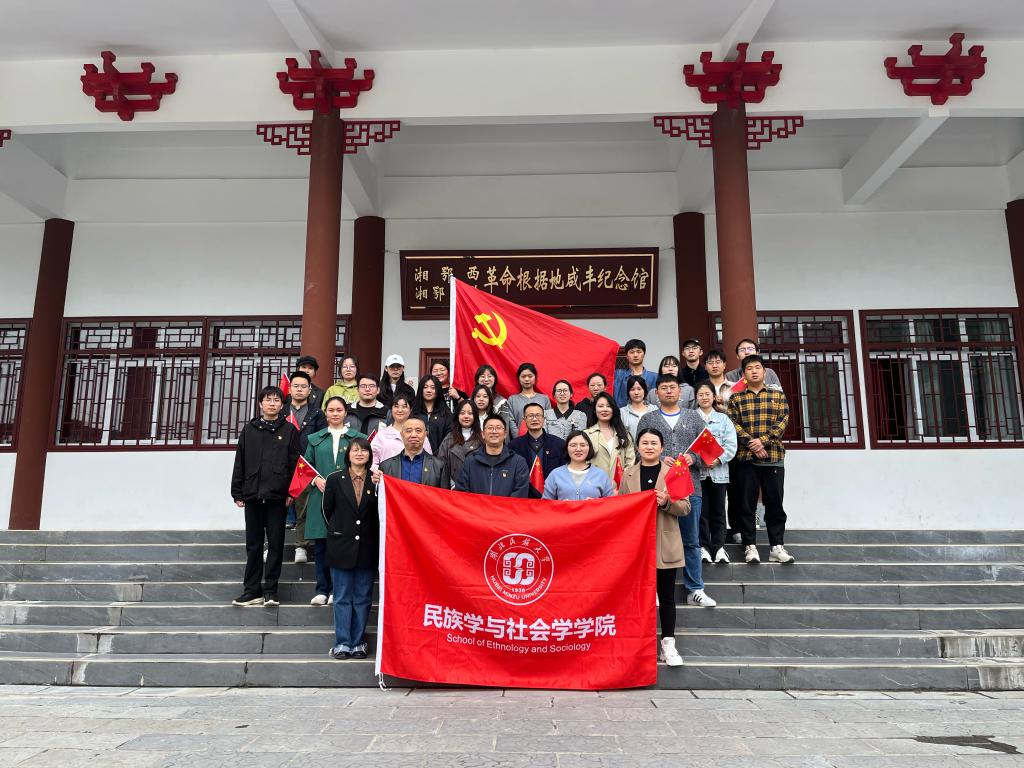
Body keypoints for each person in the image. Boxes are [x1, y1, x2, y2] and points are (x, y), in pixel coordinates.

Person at [636, 374, 716, 608]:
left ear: (680, 392)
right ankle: (653, 589)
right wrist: (659, 458)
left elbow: (709, 451)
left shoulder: (693, 417)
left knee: (691, 540)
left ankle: (695, 589)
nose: (669, 391)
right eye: (664, 388)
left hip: (689, 488)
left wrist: (693, 458)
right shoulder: (648, 418)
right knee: (653, 540)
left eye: (673, 387)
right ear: (656, 393)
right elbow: (638, 449)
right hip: (655, 490)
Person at [618, 427, 689, 667]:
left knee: (666, 596)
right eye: (645, 443)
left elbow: (686, 507)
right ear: (637, 447)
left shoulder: (675, 472)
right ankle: (637, 645)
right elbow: (620, 507)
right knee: (636, 598)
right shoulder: (628, 473)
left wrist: (668, 501)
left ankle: (668, 644)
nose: (649, 447)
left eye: (654, 443)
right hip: (636, 546)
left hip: (664, 542)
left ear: (662, 447)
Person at [230, 385, 300, 608]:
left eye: (276, 400)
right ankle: (252, 590)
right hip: (252, 494)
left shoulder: (289, 430)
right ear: (260, 403)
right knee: (253, 545)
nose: (272, 403)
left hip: (278, 497)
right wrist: (237, 491)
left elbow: (294, 464)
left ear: (282, 405)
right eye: (268, 399)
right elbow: (240, 460)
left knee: (276, 545)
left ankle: (270, 590)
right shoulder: (249, 429)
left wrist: (291, 492)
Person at [727, 355, 794, 565]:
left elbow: (783, 420)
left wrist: (763, 441)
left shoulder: (777, 395)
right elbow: (733, 424)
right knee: (746, 504)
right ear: (743, 374)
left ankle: (777, 547)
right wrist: (752, 443)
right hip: (746, 459)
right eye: (749, 368)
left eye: (758, 367)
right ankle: (750, 546)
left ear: (764, 372)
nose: (754, 371)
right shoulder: (736, 398)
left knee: (775, 504)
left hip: (773, 457)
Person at [301, 396, 365, 605]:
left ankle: (337, 591)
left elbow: (364, 463)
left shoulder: (357, 438)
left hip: (349, 498)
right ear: (325, 412)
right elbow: (305, 466)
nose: (335, 414)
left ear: (346, 412)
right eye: (331, 410)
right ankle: (322, 589)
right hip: (321, 497)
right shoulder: (315, 438)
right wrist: (315, 480)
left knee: (342, 546)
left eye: (339, 410)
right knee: (321, 545)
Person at [322, 437, 378, 660]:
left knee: (363, 597)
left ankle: (358, 642)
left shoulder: (377, 479)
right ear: (348, 454)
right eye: (355, 450)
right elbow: (326, 511)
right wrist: (339, 531)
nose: (359, 454)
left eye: (364, 450)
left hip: (367, 546)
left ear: (369, 455)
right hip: (340, 546)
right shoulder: (335, 479)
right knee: (342, 597)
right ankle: (343, 642)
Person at [693, 381, 738, 565]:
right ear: (696, 398)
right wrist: (700, 460)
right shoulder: (690, 418)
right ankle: (703, 547)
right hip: (698, 474)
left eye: (707, 394)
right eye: (701, 394)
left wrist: (717, 460)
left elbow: (731, 445)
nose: (704, 397)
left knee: (719, 511)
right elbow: (686, 445)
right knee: (701, 512)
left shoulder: (724, 419)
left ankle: (719, 547)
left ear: (714, 397)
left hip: (719, 473)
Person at [285, 371, 327, 565]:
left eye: (304, 386)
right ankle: (272, 545)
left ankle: (301, 545)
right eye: (296, 386)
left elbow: (320, 438)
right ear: (290, 389)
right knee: (277, 509)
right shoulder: (282, 411)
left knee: (302, 507)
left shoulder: (317, 413)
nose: (299, 389)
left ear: (310, 390)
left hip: (305, 466)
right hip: (282, 465)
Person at [456, 414, 530, 497]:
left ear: (505, 434)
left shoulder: (518, 463)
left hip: (507, 506)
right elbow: (462, 493)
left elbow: (520, 494)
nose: (494, 431)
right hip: (475, 506)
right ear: (483, 434)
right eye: (490, 428)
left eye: (498, 428)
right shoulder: (470, 462)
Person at [510, 402, 566, 498]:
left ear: (544, 418)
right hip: (524, 498)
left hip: (553, 497)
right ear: (524, 419)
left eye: (538, 415)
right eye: (530, 416)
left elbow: (564, 473)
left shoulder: (559, 444)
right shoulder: (514, 446)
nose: (535, 419)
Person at [377, 417, 450, 488]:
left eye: (418, 431)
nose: (413, 435)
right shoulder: (386, 466)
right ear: (402, 435)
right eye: (409, 431)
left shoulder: (439, 466)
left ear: (425, 434)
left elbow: (444, 495)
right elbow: (380, 494)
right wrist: (376, 484)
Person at [542, 430, 616, 501]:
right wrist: (560, 505)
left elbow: (611, 504)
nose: (578, 449)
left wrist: (596, 504)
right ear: (567, 448)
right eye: (573, 445)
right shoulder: (555, 475)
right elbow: (545, 505)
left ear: (589, 448)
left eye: (583, 445)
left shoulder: (601, 475)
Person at [371, 394, 432, 468]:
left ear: (411, 409)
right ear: (391, 409)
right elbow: (372, 461)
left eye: (404, 406)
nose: (400, 410)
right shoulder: (382, 435)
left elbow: (429, 460)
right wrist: (377, 471)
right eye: (396, 406)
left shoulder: (419, 435)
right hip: (387, 474)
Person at [584, 392, 635, 479]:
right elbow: (583, 463)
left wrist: (621, 481)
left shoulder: (624, 435)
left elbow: (630, 463)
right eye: (600, 406)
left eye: (608, 406)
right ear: (594, 410)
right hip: (594, 483)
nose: (605, 409)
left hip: (620, 485)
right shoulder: (586, 435)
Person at [436, 400, 483, 488]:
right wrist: (451, 484)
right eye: (462, 413)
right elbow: (441, 465)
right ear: (457, 415)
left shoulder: (482, 439)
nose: (466, 416)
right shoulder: (449, 439)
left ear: (475, 416)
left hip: (477, 488)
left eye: (470, 413)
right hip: (453, 489)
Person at [507, 363, 551, 434]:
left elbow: (548, 420)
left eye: (530, 376)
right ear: (519, 378)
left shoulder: (544, 399)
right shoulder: (512, 399)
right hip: (519, 439)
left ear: (535, 377)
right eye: (523, 376)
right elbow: (511, 421)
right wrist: (518, 437)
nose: (527, 379)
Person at [613, 339, 657, 407]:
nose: (635, 355)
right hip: (622, 412)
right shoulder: (618, 375)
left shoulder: (655, 377)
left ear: (644, 354)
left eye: (639, 352)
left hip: (649, 412)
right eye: (632, 352)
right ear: (626, 355)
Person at [412, 374, 452, 449]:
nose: (429, 390)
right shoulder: (414, 413)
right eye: (425, 387)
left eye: (433, 388)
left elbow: (449, 439)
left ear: (438, 390)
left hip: (441, 455)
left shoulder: (446, 413)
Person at [474, 365, 514, 432]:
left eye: (489, 376)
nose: (486, 379)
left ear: (495, 379)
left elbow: (505, 427)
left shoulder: (502, 402)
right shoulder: (470, 400)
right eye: (482, 376)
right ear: (477, 379)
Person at [621, 374, 658, 440]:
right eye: (632, 389)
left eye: (639, 389)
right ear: (628, 392)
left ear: (644, 391)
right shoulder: (622, 412)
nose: (636, 392)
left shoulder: (654, 410)